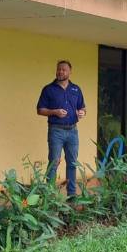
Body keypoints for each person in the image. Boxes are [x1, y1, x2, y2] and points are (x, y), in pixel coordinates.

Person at [36, 60, 86, 197]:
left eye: (64, 69)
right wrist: (55, 112)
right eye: (58, 69)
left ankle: (72, 194)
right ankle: (50, 196)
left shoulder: (76, 89)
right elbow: (40, 110)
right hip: (56, 131)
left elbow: (82, 107)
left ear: (70, 72)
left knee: (72, 163)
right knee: (54, 162)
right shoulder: (48, 89)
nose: (60, 72)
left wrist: (82, 112)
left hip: (73, 131)